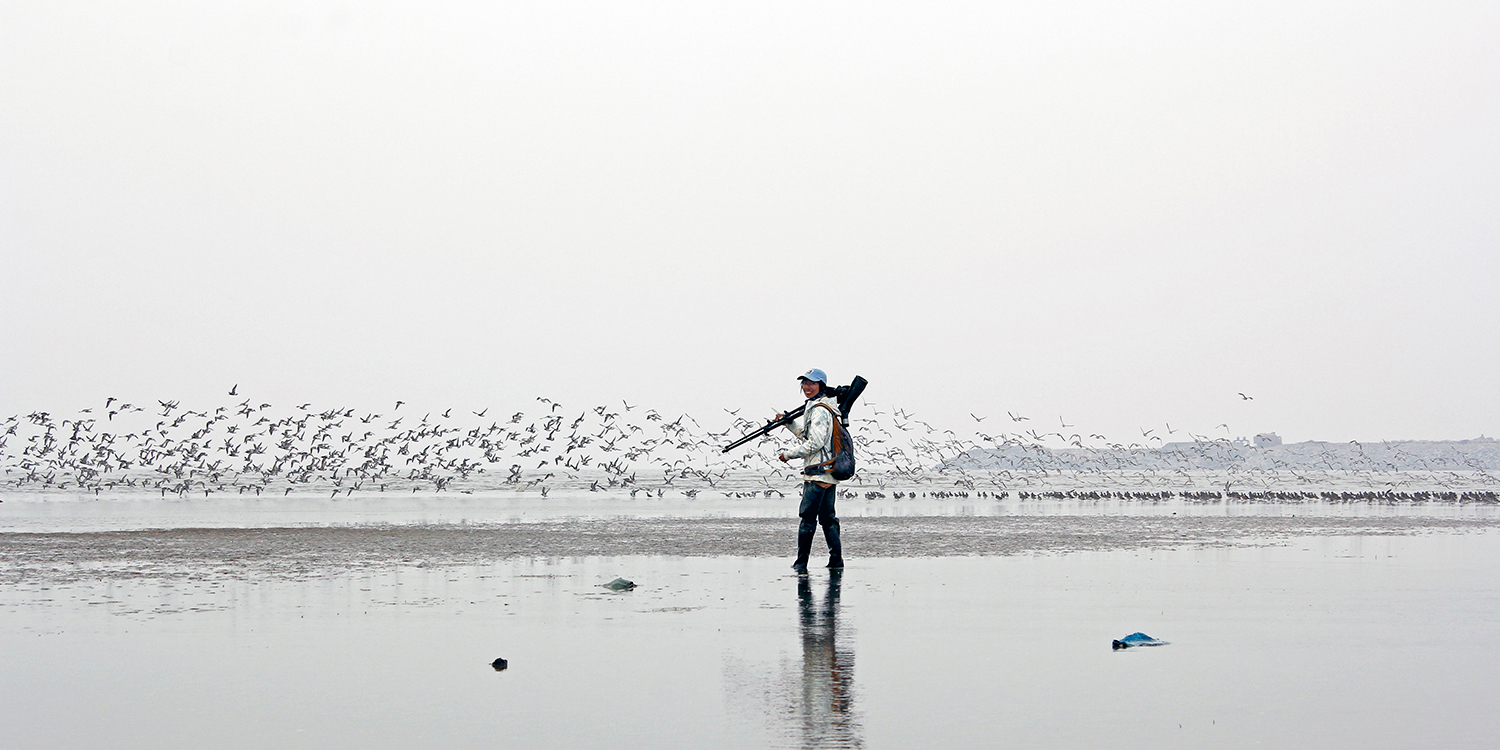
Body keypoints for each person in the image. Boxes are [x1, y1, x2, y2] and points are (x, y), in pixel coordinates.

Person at [777, 368, 844, 572]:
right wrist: (790, 424)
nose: (807, 387)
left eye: (812, 383)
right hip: (828, 472)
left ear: (821, 386)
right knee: (828, 519)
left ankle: (801, 563)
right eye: (805, 383)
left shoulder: (820, 410)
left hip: (817, 473)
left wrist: (788, 454)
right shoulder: (820, 407)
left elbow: (814, 443)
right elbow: (810, 438)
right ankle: (836, 561)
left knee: (807, 519)